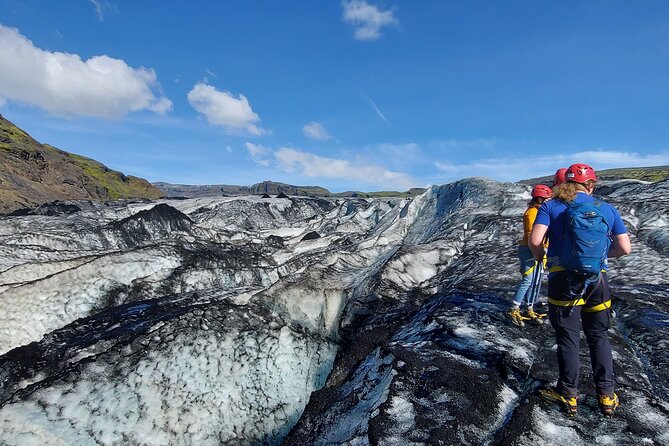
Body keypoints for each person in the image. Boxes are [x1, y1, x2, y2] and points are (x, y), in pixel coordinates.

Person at [529, 163, 631, 416]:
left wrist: (543, 258)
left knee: (568, 337)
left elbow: (534, 240)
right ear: (591, 185)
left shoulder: (551, 206)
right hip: (598, 280)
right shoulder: (606, 208)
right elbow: (625, 248)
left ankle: (567, 394)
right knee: (599, 336)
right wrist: (599, 258)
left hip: (563, 280)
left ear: (563, 184)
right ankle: (607, 396)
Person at [507, 184, 552, 327]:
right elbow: (531, 234)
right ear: (540, 199)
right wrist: (538, 250)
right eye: (546, 199)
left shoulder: (538, 211)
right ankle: (514, 309)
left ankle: (529, 308)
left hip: (538, 248)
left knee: (535, 280)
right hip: (530, 249)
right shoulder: (532, 213)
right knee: (528, 279)